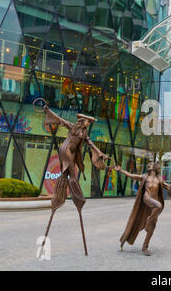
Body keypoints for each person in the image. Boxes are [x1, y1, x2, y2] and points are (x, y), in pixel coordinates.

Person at [41, 106, 109, 256]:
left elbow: (91, 145)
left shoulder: (84, 134)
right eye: (87, 122)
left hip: (71, 153)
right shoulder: (73, 127)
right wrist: (47, 110)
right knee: (70, 173)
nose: (88, 125)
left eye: (89, 123)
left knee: (69, 174)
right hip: (65, 150)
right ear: (82, 121)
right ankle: (70, 198)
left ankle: (67, 197)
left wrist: (101, 154)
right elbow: (60, 121)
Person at [114, 162, 171, 256]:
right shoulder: (145, 176)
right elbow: (132, 175)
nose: (148, 165)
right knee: (159, 206)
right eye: (148, 164)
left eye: (150, 164)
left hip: (153, 203)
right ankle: (149, 220)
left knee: (152, 228)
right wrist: (121, 170)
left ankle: (145, 247)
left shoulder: (159, 179)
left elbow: (169, 187)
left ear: (155, 167)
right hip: (147, 198)